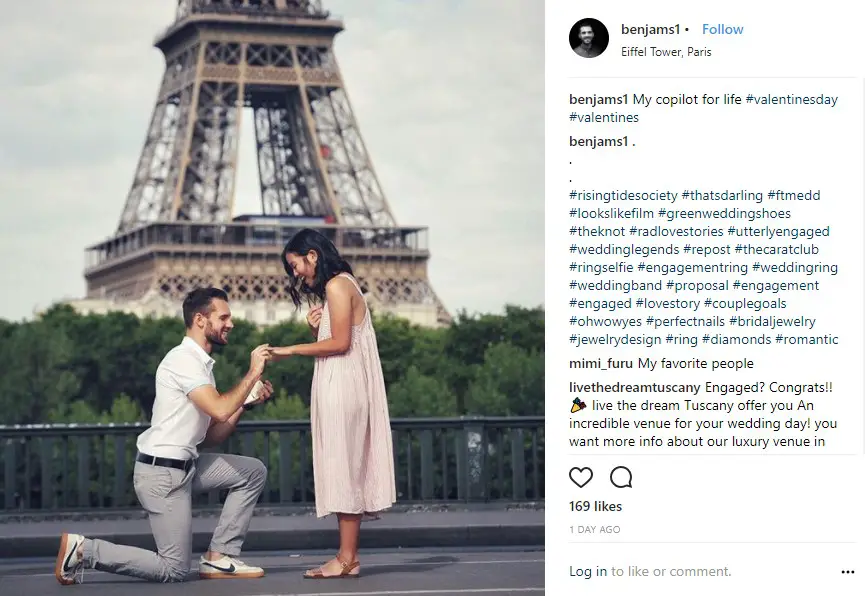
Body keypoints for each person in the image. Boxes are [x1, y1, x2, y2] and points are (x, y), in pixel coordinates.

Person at [55, 287, 274, 585]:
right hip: (162, 474)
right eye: (223, 317)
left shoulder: (200, 364)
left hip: (186, 466)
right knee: (173, 570)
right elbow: (221, 409)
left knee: (252, 472)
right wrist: (252, 374)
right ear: (200, 320)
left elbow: (211, 436)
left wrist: (246, 403)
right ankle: (84, 551)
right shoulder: (183, 360)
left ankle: (219, 557)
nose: (231, 323)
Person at [271, 228, 396, 579]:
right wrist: (317, 332)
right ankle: (346, 556)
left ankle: (346, 557)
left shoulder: (337, 285)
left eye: (295, 265)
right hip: (343, 383)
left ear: (312, 255)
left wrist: (290, 349)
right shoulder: (343, 285)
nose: (295, 273)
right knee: (345, 464)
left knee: (343, 464)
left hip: (342, 387)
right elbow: (345, 340)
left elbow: (340, 343)